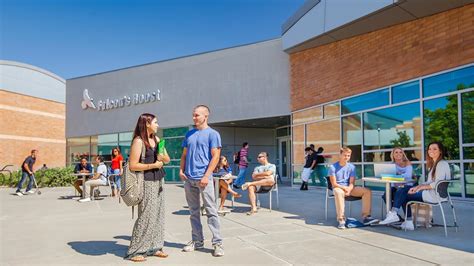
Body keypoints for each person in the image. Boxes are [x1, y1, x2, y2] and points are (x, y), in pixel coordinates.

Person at [180, 105, 224, 257]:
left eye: (197, 115)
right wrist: (181, 170)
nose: (194, 118)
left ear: (206, 116)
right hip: (189, 179)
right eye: (193, 115)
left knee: (211, 211)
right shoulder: (189, 134)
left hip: (204, 179)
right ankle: (197, 241)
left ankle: (217, 243)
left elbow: (216, 157)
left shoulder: (213, 134)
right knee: (193, 212)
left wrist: (206, 176)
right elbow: (184, 155)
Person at [125, 113, 170, 262]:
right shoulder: (139, 141)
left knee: (158, 215)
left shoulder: (157, 139)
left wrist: (162, 158)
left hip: (159, 181)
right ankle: (136, 250)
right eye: (155, 122)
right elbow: (133, 165)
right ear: (147, 124)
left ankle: (155, 247)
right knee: (146, 216)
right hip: (146, 182)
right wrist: (153, 165)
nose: (158, 125)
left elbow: (167, 159)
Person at [380, 142, 451, 230]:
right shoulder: (435, 164)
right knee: (402, 191)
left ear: (440, 151)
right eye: (429, 149)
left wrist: (419, 187)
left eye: (434, 149)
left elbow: (436, 183)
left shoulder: (441, 164)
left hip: (434, 195)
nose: (431, 151)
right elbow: (429, 182)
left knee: (403, 192)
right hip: (431, 193)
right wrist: (417, 187)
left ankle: (395, 214)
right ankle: (406, 221)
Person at [328, 147, 378, 229]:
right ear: (340, 155)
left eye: (348, 156)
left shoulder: (352, 167)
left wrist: (349, 189)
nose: (346, 157)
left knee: (367, 191)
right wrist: (345, 188)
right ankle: (341, 219)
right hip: (339, 187)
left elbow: (352, 183)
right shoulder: (333, 167)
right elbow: (334, 184)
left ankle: (366, 217)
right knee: (338, 192)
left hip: (349, 188)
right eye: (345, 155)